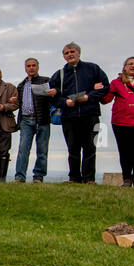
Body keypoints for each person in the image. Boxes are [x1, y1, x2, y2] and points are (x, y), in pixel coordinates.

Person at [47, 43, 109, 183]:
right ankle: (74, 178)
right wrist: (65, 102)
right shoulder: (59, 75)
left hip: (90, 114)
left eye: (72, 51)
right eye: (66, 53)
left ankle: (89, 179)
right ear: (63, 56)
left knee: (90, 148)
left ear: (79, 52)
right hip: (69, 116)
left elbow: (105, 87)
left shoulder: (93, 68)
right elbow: (52, 97)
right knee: (73, 149)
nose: (70, 54)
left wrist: (88, 97)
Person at [102, 57, 134, 187]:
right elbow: (106, 99)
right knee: (124, 152)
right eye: (130, 64)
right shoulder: (116, 82)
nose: (133, 66)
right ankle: (127, 179)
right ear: (124, 67)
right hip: (120, 122)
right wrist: (99, 89)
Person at [13, 59, 50, 183]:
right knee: (23, 149)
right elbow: (19, 103)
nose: (31, 68)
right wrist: (14, 101)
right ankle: (19, 176)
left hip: (42, 119)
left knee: (42, 149)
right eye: (28, 66)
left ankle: (38, 176)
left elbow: (54, 97)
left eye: (34, 65)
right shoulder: (21, 85)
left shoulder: (45, 81)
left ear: (38, 67)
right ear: (25, 68)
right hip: (26, 119)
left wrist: (53, 93)